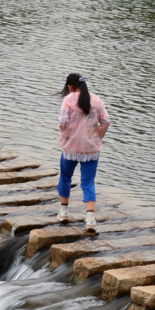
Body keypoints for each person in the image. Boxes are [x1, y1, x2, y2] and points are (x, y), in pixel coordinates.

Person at [56, 72, 110, 229]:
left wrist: (68, 134)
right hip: (91, 149)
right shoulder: (97, 100)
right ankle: (91, 220)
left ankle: (64, 212)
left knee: (65, 178)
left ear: (70, 87)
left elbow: (62, 122)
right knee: (88, 182)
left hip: (71, 147)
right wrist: (97, 136)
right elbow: (106, 121)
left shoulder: (68, 100)